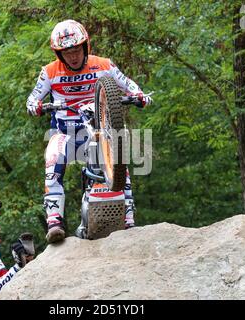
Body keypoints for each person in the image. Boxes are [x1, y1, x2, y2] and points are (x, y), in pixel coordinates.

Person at [26, 20, 152, 244]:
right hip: (66, 132)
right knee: (53, 158)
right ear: (59, 53)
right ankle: (54, 221)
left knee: (119, 160)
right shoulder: (49, 72)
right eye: (67, 52)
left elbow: (127, 83)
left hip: (100, 130)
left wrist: (139, 95)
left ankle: (128, 219)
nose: (73, 56)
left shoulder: (103, 65)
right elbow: (32, 98)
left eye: (76, 50)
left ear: (85, 47)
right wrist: (35, 105)